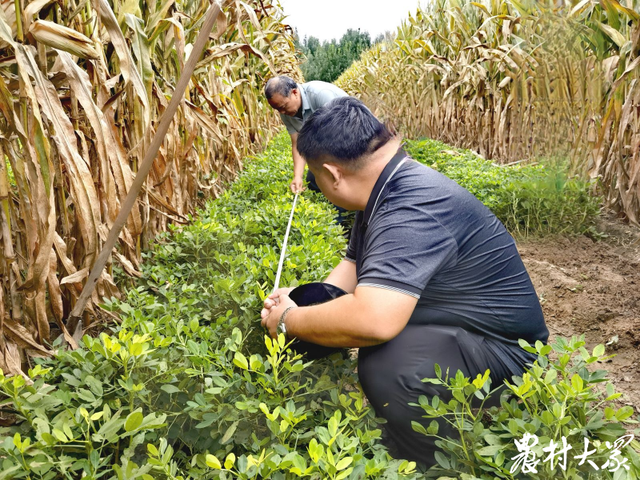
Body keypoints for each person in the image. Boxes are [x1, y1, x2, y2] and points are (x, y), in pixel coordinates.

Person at [260, 97, 549, 467]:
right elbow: (353, 265)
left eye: (315, 177)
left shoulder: (410, 207)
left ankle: (433, 463)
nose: (318, 184)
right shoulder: (385, 185)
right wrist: (300, 299)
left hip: (509, 355)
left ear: (332, 175)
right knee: (348, 325)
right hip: (460, 325)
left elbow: (374, 321)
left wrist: (288, 320)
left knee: (387, 363)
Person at [264, 75, 348, 194]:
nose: (282, 113)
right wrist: (297, 176)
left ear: (294, 93)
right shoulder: (285, 111)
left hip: (350, 138)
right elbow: (297, 143)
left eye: (283, 107)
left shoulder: (321, 95)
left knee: (333, 179)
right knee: (313, 182)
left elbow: (341, 134)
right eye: (278, 109)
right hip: (326, 143)